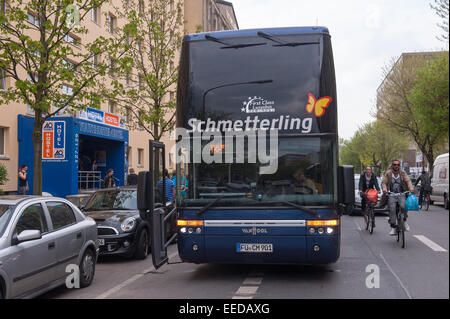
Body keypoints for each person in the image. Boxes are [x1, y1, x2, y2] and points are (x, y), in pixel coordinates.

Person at [381, 160, 415, 235]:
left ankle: (405, 221)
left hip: (401, 194)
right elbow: (384, 182)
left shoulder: (403, 173)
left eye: (398, 165)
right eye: (394, 164)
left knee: (403, 206)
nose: (396, 166)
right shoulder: (388, 173)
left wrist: (411, 188)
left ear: (399, 166)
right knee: (392, 208)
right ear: (392, 165)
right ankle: (393, 227)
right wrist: (384, 189)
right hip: (391, 194)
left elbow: (408, 181)